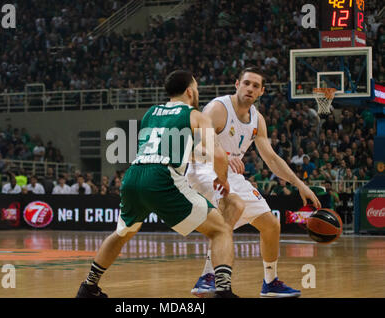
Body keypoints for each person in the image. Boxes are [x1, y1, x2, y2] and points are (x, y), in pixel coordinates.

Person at [76, 70, 237, 298]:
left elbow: (168, 144)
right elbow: (219, 157)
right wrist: (222, 179)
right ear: (190, 91)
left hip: (133, 175)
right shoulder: (195, 115)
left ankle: (88, 286)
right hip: (161, 176)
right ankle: (223, 291)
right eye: (197, 88)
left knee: (124, 232)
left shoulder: (151, 112)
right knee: (220, 230)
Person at [187, 67, 321, 298]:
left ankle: (270, 282)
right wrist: (225, 157)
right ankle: (208, 276)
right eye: (246, 83)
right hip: (202, 170)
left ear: (261, 92)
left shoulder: (257, 119)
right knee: (233, 205)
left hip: (230, 174)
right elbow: (192, 147)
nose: (250, 88)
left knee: (271, 225)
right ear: (236, 84)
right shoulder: (218, 109)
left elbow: (270, 158)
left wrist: (299, 184)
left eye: (255, 86)